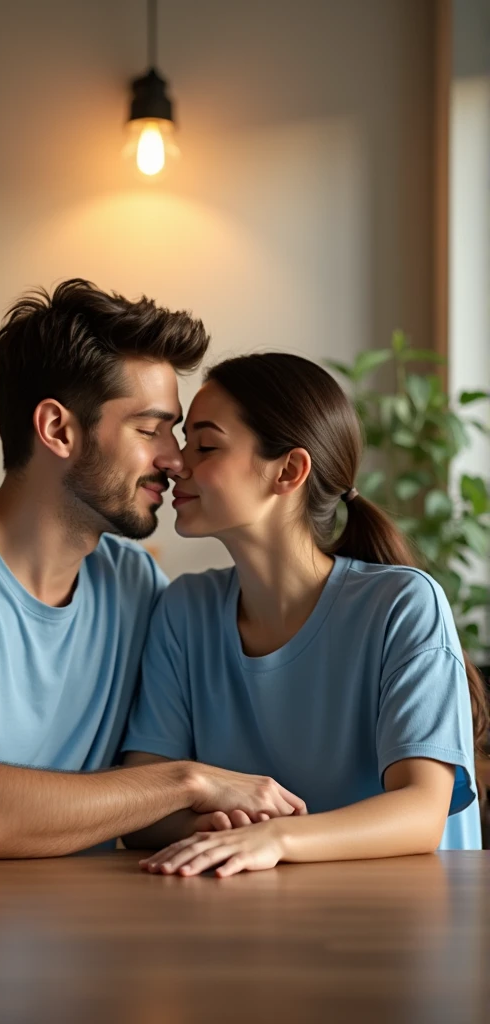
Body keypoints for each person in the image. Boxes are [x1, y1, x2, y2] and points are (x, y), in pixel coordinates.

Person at [0, 281, 303, 858]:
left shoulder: (135, 583)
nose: (175, 460)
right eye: (150, 430)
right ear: (57, 430)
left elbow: (145, 805)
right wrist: (189, 780)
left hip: (86, 935)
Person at [122, 351, 488, 876]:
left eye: (205, 445)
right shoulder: (184, 612)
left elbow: (421, 811)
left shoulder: (402, 606)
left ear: (289, 470)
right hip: (252, 923)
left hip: (406, 929)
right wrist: (209, 831)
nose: (177, 462)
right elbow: (142, 810)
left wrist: (273, 838)